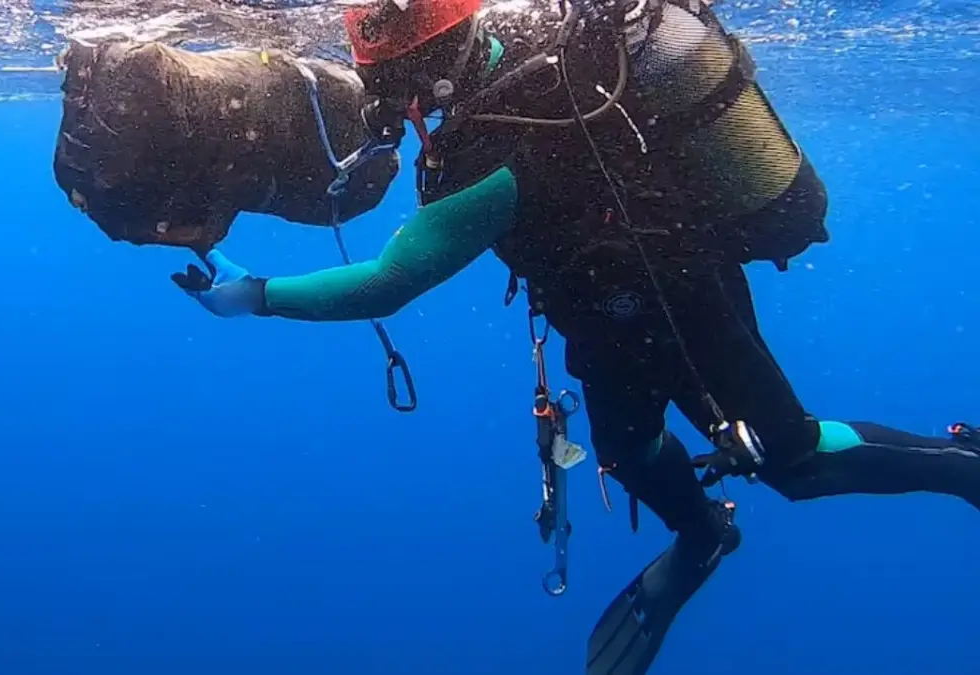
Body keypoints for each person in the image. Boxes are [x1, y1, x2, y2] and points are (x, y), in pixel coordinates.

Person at [171, 0, 980, 673]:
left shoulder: (496, 149)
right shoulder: (529, 59)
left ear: (423, 71)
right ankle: (704, 534)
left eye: (392, 87)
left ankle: (965, 472)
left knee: (793, 460)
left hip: (681, 309)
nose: (394, 108)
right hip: (611, 317)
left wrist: (259, 296)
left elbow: (389, 280)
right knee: (627, 453)